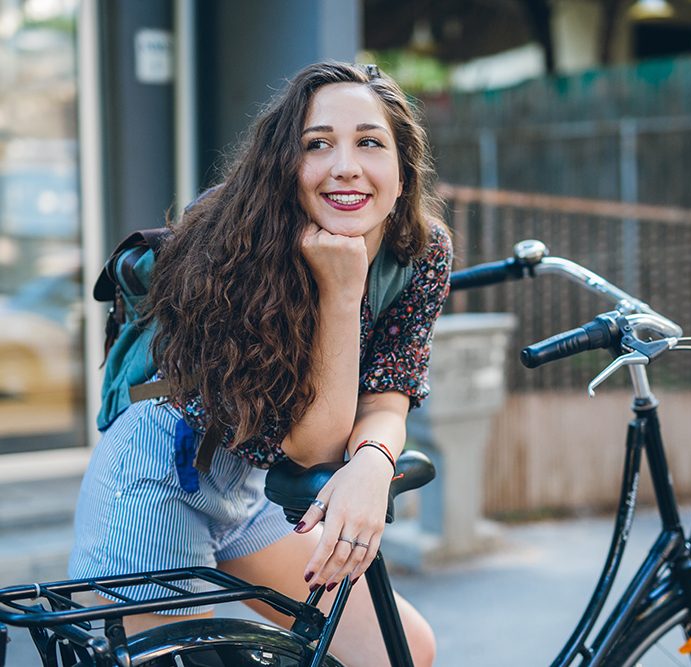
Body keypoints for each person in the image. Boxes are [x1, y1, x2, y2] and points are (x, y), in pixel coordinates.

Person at [68, 61, 450, 666]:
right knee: (181, 659)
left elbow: (388, 390)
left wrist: (373, 465)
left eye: (369, 142)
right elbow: (312, 447)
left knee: (401, 651)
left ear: (403, 171)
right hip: (162, 471)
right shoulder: (234, 243)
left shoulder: (419, 250)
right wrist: (341, 290)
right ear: (285, 168)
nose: (345, 165)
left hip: (252, 491)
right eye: (317, 144)